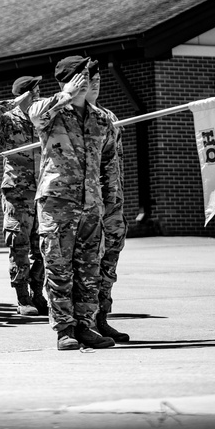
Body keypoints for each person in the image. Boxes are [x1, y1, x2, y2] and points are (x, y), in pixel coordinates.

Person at [29, 56, 117, 351]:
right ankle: (64, 330)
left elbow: (108, 162)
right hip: (57, 203)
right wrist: (65, 94)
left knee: (88, 270)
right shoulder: (52, 112)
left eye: (92, 76)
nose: (90, 81)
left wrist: (110, 201)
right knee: (59, 268)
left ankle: (87, 326)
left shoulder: (103, 118)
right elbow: (35, 114)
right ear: (69, 79)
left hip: (91, 205)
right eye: (84, 76)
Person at [0, 76, 47, 316]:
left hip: (43, 190)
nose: (39, 93)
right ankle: (22, 297)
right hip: (18, 191)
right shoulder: (7, 119)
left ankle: (38, 293)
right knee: (19, 244)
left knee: (43, 248)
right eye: (34, 90)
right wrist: (13, 102)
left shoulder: (43, 116)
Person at [85, 60, 130, 343]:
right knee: (87, 263)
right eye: (89, 79)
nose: (96, 82)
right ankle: (83, 322)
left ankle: (102, 318)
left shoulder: (108, 117)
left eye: (98, 77)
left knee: (108, 264)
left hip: (113, 202)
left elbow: (115, 161)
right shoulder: (65, 117)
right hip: (87, 202)